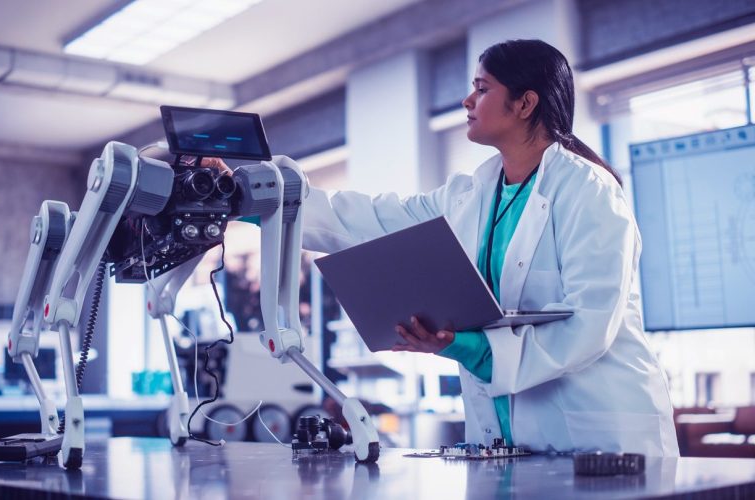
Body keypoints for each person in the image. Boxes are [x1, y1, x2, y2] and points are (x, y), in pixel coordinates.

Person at [211, 39, 679, 456]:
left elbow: (589, 323)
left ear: (525, 103)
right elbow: (369, 221)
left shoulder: (588, 190)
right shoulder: (471, 192)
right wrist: (249, 197)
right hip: (513, 443)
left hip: (599, 436)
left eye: (482, 88)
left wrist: (469, 348)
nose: (467, 100)